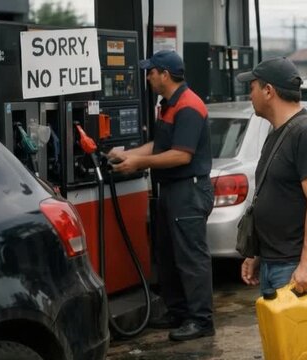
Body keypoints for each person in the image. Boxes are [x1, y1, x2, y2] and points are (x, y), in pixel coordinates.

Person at [108, 50, 215, 341]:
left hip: (189, 189)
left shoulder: (189, 106)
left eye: (151, 71)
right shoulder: (167, 104)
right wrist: (125, 155)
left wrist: (138, 163)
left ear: (164, 74)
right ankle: (179, 312)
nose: (147, 77)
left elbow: (181, 155)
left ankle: (201, 320)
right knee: (167, 255)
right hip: (171, 190)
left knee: (190, 257)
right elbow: (160, 145)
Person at [237, 57, 307, 294]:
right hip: (278, 261)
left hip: (297, 265)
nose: (249, 95)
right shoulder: (278, 133)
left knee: (304, 332)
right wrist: (260, 254)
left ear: (268, 91)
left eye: (251, 88)